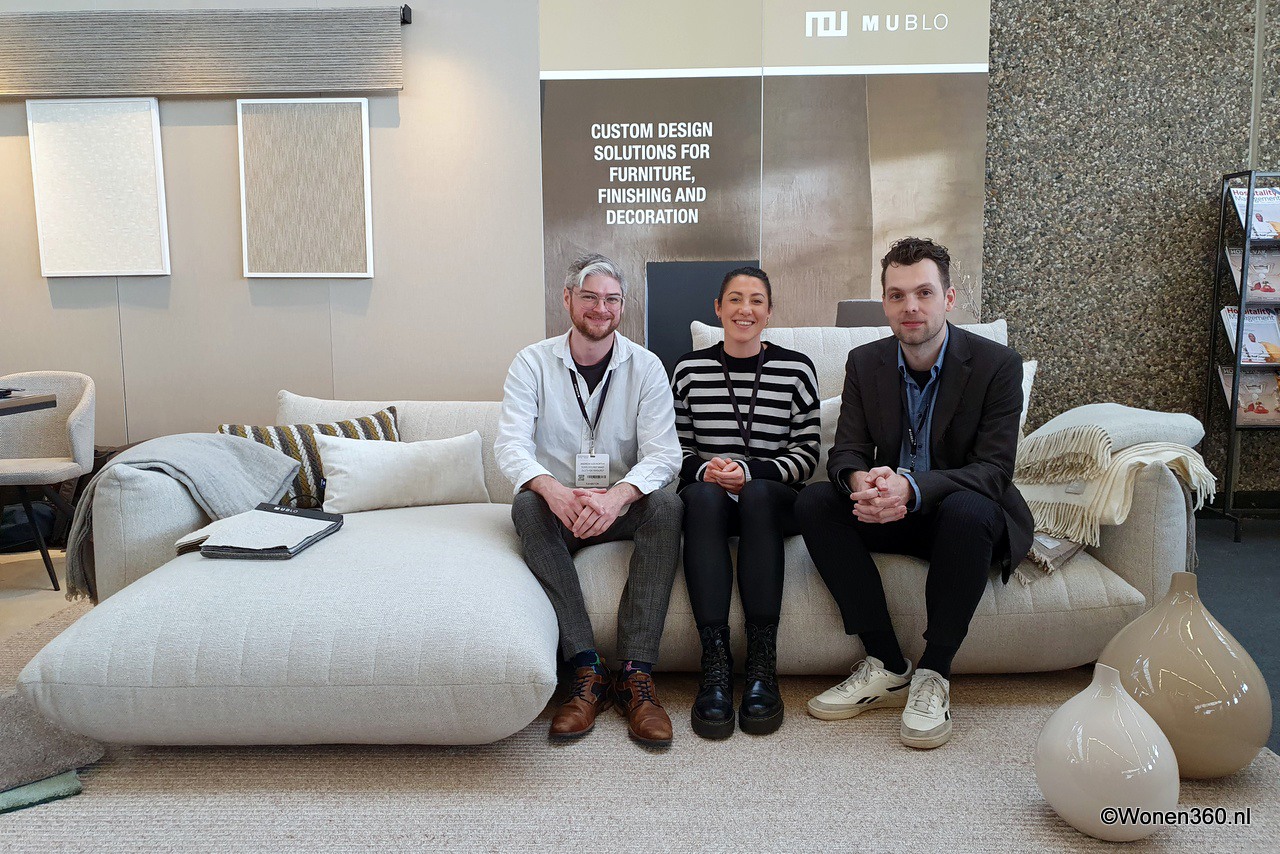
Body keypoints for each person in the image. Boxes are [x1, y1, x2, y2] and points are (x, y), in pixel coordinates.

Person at [796, 237, 1033, 750]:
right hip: (890, 512)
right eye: (897, 295)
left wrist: (912, 487)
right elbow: (847, 451)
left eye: (924, 293)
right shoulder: (865, 362)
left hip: (962, 520)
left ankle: (934, 672)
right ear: (884, 303)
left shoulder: (997, 364)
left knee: (970, 508)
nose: (911, 307)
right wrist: (862, 484)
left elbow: (994, 471)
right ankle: (887, 664)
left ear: (949, 298)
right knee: (814, 501)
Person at [496, 253, 684, 747]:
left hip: (621, 506)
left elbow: (665, 454)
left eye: (612, 299)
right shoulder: (532, 362)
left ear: (622, 306)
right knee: (526, 505)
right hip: (560, 505)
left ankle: (636, 675)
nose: (601, 308)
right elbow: (511, 445)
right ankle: (586, 669)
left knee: (668, 506)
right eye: (590, 297)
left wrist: (618, 497)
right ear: (567, 299)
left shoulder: (646, 367)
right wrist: (551, 489)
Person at [671, 267, 820, 739]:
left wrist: (752, 472)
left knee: (755, 493)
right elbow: (674, 451)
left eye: (756, 300)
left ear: (769, 312)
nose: (745, 309)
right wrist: (705, 471)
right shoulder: (688, 370)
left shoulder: (796, 368)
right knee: (703, 496)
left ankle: (761, 664)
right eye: (734, 299)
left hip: (770, 499)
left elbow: (807, 455)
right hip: (711, 499)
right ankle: (715, 664)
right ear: (718, 309)